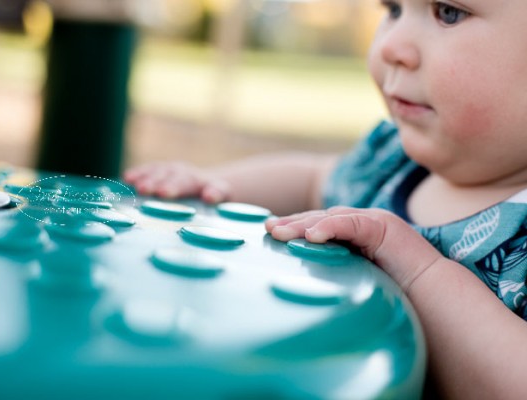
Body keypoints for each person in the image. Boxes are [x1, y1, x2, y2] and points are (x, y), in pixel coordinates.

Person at [125, 0, 527, 397]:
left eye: (448, 12)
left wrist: (417, 271)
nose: (391, 45)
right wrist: (214, 185)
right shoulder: (390, 162)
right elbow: (313, 179)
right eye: (392, 10)